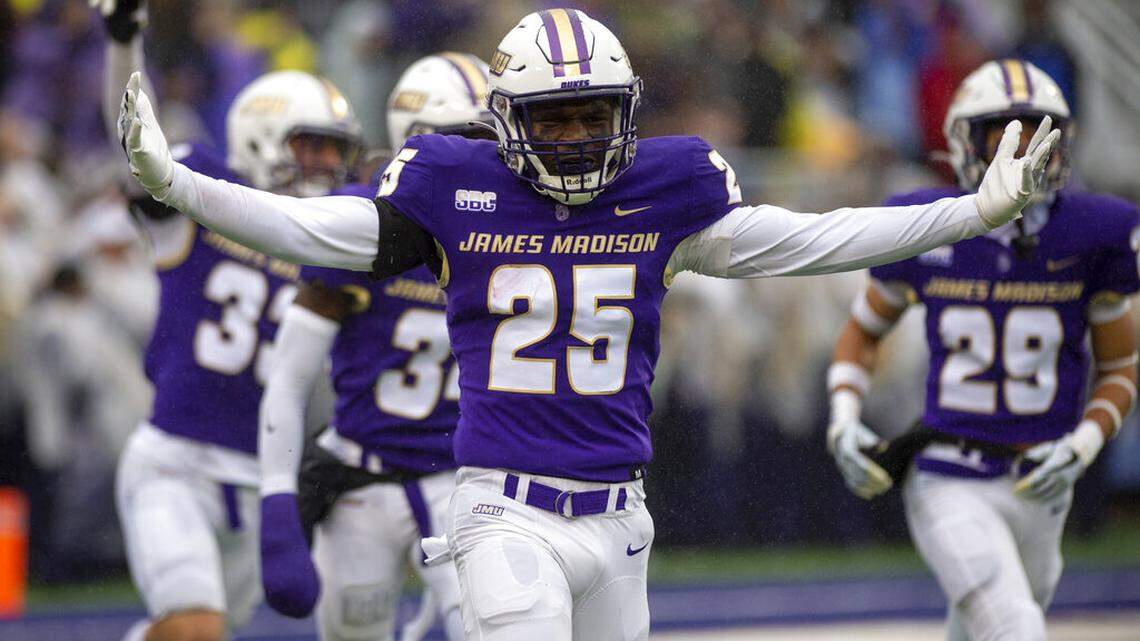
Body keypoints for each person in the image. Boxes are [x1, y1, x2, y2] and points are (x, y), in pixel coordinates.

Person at [118, 10, 1060, 640]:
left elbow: (821, 238)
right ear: (508, 120)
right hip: (501, 508)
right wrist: (179, 185)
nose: (574, 136)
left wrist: (974, 212)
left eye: (592, 115)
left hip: (622, 519)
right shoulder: (453, 187)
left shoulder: (666, 190)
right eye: (553, 117)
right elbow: (305, 226)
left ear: (625, 113)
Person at [825, 59, 1138, 641]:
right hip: (950, 472)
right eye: (1006, 136)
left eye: (1041, 133)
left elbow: (1121, 365)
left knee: (980, 628)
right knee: (1014, 627)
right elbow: (864, 331)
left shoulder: (1097, 231)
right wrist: (844, 415)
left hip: (1045, 482)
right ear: (965, 143)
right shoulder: (925, 223)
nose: (1027, 153)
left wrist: (1085, 441)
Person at [93, 2, 364, 640]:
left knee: (194, 633)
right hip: (176, 465)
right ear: (261, 138)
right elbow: (137, 143)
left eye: (335, 150)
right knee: (195, 627)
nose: (326, 164)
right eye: (312, 144)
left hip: (261, 484)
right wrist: (123, 42)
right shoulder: (203, 191)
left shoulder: (335, 241)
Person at [257, 51, 494, 641]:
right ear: (417, 140)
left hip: (464, 481)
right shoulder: (367, 224)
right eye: (469, 137)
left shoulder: (506, 225)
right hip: (360, 484)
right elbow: (287, 377)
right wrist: (277, 502)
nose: (487, 157)